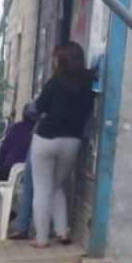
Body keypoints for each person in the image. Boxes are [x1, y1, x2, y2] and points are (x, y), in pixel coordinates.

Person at [30, 42, 96, 248]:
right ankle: (63, 231)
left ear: (62, 60)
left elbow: (38, 108)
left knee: (42, 188)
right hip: (72, 141)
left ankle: (41, 238)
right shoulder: (89, 82)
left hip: (46, 139)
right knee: (57, 185)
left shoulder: (55, 83)